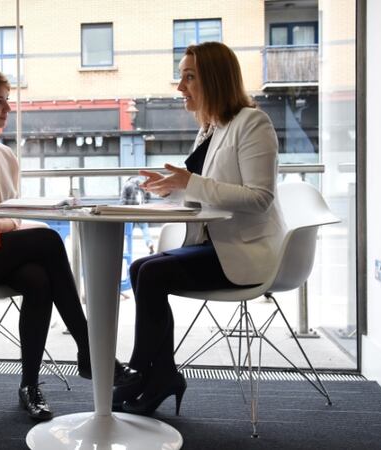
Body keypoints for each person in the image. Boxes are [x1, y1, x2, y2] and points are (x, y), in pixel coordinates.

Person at [0, 66, 139, 421]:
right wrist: (16, 223)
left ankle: (29, 385)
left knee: (38, 279)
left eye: (7, 102)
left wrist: (19, 221)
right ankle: (90, 350)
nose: (6, 110)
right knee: (45, 238)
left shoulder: (6, 156)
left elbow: (9, 211)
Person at [115, 41, 285, 416]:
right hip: (215, 245)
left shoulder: (252, 123)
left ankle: (140, 370)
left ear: (214, 79)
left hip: (245, 251)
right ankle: (163, 374)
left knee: (153, 272)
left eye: (189, 77)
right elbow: (205, 196)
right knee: (140, 268)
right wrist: (172, 189)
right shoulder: (211, 129)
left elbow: (259, 197)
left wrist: (188, 182)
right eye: (181, 77)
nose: (180, 88)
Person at [120, 176, 155, 255]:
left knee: (128, 232)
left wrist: (121, 211)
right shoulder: (143, 184)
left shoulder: (127, 185)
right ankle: (149, 243)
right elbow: (148, 196)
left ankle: (125, 248)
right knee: (145, 228)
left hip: (129, 212)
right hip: (140, 211)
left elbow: (123, 200)